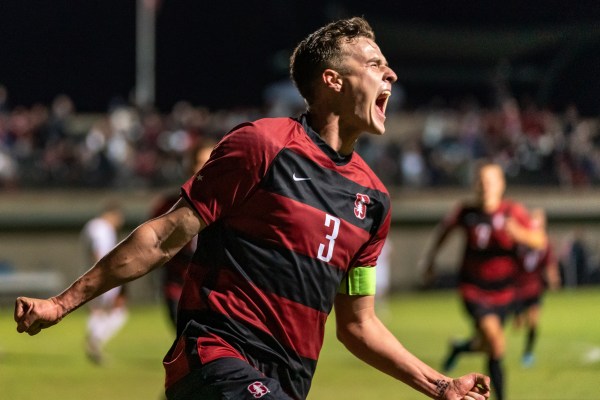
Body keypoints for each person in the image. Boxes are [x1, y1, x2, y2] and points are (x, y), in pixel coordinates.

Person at [14, 17, 490, 400]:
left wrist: (440, 385)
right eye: (374, 63)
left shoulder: (373, 203)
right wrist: (61, 303)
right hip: (215, 359)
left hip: (287, 381)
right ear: (332, 81)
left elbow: (358, 324)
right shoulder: (263, 145)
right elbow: (163, 237)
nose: (391, 74)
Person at [421, 161, 547, 400]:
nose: (484, 186)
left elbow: (539, 240)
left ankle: (460, 347)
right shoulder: (466, 212)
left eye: (490, 181)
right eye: (480, 180)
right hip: (474, 290)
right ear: (474, 184)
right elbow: (444, 232)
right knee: (497, 342)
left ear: (501, 185)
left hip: (505, 292)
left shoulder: (512, 212)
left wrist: (519, 234)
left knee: (489, 344)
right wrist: (430, 261)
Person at [150, 139, 216, 329]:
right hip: (179, 287)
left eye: (211, 162)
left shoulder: (234, 207)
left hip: (217, 292)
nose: (204, 169)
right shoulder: (168, 206)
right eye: (199, 163)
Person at [79, 200, 127, 364]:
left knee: (98, 311)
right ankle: (94, 342)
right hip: (103, 276)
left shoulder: (93, 226)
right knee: (116, 312)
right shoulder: (101, 227)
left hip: (95, 275)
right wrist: (104, 274)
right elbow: (98, 250)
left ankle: (94, 343)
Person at [513, 208, 561, 367]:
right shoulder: (520, 240)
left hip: (534, 288)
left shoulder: (545, 243)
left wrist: (553, 278)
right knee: (517, 324)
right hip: (516, 288)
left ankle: (527, 354)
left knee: (533, 322)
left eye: (540, 219)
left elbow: (549, 262)